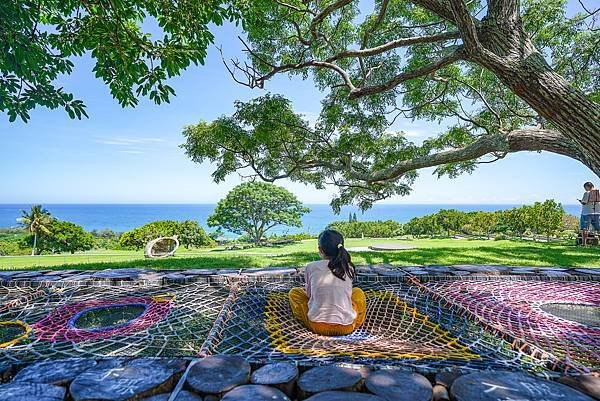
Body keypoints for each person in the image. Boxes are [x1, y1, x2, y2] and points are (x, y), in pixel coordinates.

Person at [289, 229, 366, 336]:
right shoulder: (347, 267)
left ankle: (307, 318)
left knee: (295, 293)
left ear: (320, 250)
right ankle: (357, 322)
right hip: (347, 327)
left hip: (317, 326)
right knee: (358, 293)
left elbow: (309, 295)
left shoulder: (311, 267)